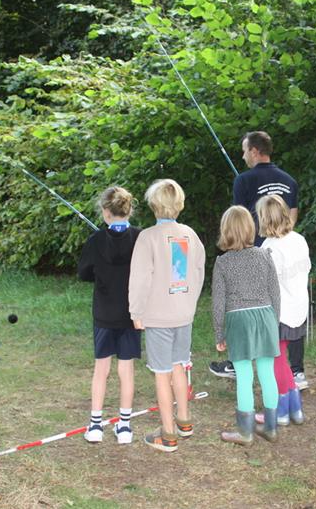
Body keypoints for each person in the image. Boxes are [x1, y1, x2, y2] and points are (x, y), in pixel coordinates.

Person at [210, 131, 309, 392]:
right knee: (290, 302)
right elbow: (293, 215)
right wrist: (283, 235)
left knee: (248, 305)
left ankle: (239, 362)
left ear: (254, 151)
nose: (243, 156)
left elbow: (239, 217)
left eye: (244, 151)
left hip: (254, 250)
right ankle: (296, 370)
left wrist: (260, 242)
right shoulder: (289, 181)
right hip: (285, 246)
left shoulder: (243, 180)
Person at [129, 179, 205, 451]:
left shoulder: (147, 237)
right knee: (179, 365)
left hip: (158, 317)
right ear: (180, 205)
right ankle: (184, 420)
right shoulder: (190, 235)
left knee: (162, 373)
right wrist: (190, 302)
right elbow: (198, 271)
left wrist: (136, 311)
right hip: (183, 314)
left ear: (153, 206)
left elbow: (140, 278)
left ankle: (168, 433)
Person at [77, 187, 142, 444]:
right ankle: (124, 427)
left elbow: (84, 273)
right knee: (126, 369)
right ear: (129, 210)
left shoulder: (95, 240)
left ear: (105, 212)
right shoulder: (140, 237)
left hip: (104, 313)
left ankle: (95, 425)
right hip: (131, 314)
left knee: (101, 368)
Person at [212, 205, 281, 445]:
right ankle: (271, 428)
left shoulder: (222, 263)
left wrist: (219, 333)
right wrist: (273, 323)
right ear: (251, 228)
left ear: (226, 231)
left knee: (243, 375)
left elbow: (218, 303)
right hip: (266, 318)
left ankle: (245, 432)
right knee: (267, 373)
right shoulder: (265, 255)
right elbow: (275, 294)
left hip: (239, 321)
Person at [256, 195, 310, 425]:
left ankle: (280, 412)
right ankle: (295, 409)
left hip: (278, 313)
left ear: (264, 218)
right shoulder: (299, 239)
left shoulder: (268, 248)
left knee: (275, 361)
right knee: (282, 359)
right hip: (298, 309)